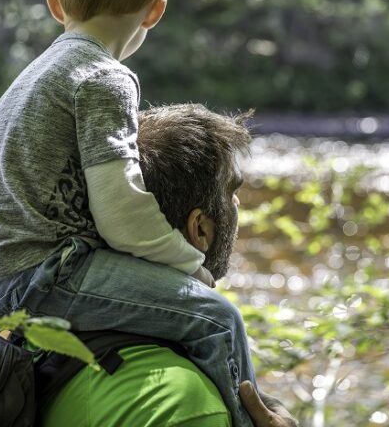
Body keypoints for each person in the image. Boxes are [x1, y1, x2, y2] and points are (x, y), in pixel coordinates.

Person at [0, 0, 255, 425]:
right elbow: (121, 211)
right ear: (155, 11)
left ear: (56, 4)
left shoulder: (43, 70)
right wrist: (191, 267)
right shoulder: (102, 77)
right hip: (40, 274)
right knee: (216, 316)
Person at [42, 104, 297, 427]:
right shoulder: (189, 407)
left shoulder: (46, 335)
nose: (236, 202)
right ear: (200, 228)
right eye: (232, 190)